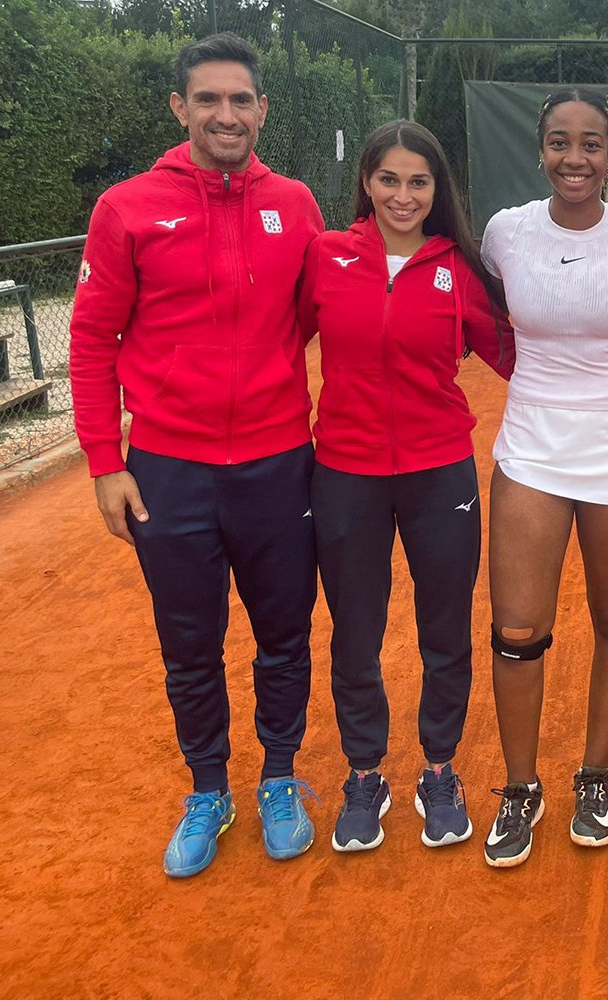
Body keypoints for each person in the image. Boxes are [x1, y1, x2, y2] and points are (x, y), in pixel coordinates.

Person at [69, 32, 325, 877]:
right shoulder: (127, 208)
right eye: (207, 99)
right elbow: (92, 338)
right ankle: (208, 788)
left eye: (241, 100)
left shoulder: (296, 202)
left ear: (262, 110)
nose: (226, 114)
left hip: (280, 462)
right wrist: (107, 462)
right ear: (179, 108)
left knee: (284, 635)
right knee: (190, 643)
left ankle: (280, 778)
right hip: (169, 473)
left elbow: (321, 316)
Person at [296, 120, 514, 854]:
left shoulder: (460, 267)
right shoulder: (326, 256)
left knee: (444, 630)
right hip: (346, 475)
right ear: (366, 182)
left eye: (418, 182)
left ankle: (439, 771)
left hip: (438, 470)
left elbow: (519, 354)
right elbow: (274, 343)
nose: (402, 194)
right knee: (355, 631)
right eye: (388, 179)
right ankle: (365, 775)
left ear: (436, 189)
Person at [476, 88, 608, 868]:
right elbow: (493, 314)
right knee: (518, 630)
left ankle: (595, 775)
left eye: (591, 143)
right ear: (540, 150)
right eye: (560, 142)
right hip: (531, 444)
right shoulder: (504, 234)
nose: (575, 158)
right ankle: (521, 788)